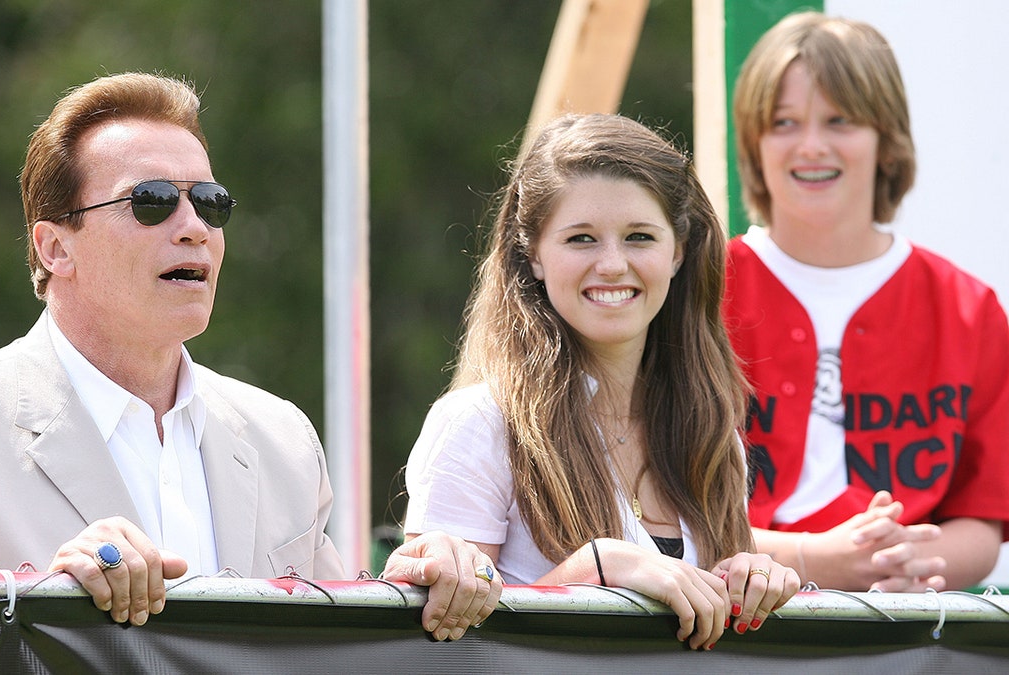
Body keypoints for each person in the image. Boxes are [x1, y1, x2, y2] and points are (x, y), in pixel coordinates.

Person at [0, 72, 500, 640]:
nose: (193, 226)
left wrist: (422, 585)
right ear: (53, 248)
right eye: (150, 201)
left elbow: (332, 648)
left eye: (211, 203)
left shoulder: (282, 441)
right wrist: (49, 599)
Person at [403, 113, 800, 652]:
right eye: (581, 238)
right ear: (534, 256)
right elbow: (444, 651)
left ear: (678, 251)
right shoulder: (478, 422)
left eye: (639, 237)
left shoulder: (711, 429)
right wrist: (596, 569)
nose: (612, 264)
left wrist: (750, 579)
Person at [726, 12, 1009, 593]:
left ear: (887, 140)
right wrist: (807, 557)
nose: (811, 146)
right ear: (754, 143)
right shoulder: (697, 291)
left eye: (840, 120)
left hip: (903, 622)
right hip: (722, 614)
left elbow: (982, 521)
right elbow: (644, 508)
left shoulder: (968, 309)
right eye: (783, 122)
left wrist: (906, 560)